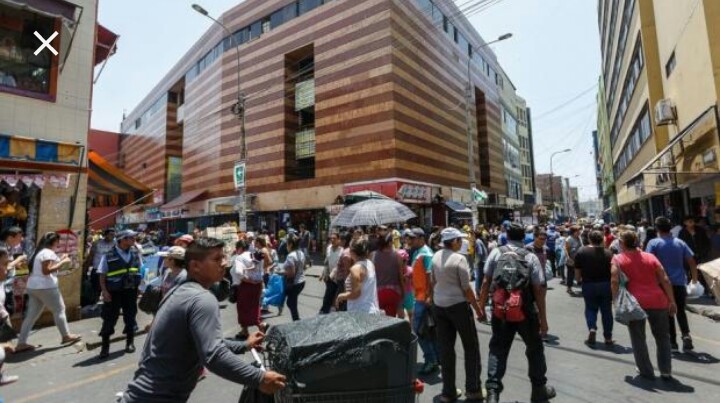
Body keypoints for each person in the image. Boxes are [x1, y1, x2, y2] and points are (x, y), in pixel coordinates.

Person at [121, 238, 286, 402]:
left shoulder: (179, 289)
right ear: (195, 266)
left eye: (224, 257)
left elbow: (204, 342)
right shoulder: (202, 299)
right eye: (216, 259)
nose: (224, 263)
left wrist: (244, 345)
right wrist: (259, 378)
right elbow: (213, 355)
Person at [478, 223, 554, 403]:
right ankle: (538, 391)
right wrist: (543, 319)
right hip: (526, 311)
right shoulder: (531, 257)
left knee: (498, 349)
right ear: (523, 238)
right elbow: (539, 290)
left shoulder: (496, 253)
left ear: (507, 235)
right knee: (535, 349)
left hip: (500, 311)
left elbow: (486, 282)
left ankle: (493, 394)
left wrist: (481, 308)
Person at [611, 231, 676, 380]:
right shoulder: (650, 257)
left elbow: (614, 281)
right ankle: (666, 371)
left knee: (638, 337)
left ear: (622, 244)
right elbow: (665, 279)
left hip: (634, 303)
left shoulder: (618, 259)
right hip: (658, 300)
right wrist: (672, 301)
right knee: (663, 337)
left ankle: (645, 370)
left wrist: (615, 301)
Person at [431, 228, 484, 402]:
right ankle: (473, 389)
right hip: (458, 307)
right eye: (459, 240)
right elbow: (467, 289)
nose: (461, 243)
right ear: (453, 241)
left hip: (439, 305)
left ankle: (448, 392)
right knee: (471, 347)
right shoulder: (459, 259)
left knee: (446, 350)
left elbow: (433, 281)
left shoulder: (435, 256)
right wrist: (478, 309)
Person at [15, 233, 82, 353]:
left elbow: (47, 267)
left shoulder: (40, 251)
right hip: (46, 287)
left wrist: (61, 259)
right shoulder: (48, 252)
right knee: (59, 310)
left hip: (33, 286)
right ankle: (66, 336)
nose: (59, 244)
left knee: (31, 316)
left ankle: (21, 343)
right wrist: (63, 261)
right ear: (54, 242)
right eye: (58, 241)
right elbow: (47, 271)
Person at [646, 217, 699, 352]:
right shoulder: (680, 243)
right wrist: (694, 279)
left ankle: (673, 343)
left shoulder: (653, 243)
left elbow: (648, 263)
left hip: (662, 284)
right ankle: (686, 335)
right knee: (680, 310)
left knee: (668, 312)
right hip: (680, 283)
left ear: (657, 229)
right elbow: (692, 261)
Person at [97, 229, 143, 359]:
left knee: (130, 316)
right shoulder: (109, 255)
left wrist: (140, 287)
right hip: (114, 292)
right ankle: (105, 348)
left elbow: (140, 270)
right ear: (122, 239)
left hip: (131, 291)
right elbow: (102, 274)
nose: (134, 240)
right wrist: (104, 291)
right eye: (131, 237)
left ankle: (130, 343)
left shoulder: (135, 253)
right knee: (109, 318)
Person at [408, 227, 440, 375]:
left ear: (421, 238)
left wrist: (429, 296)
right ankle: (435, 358)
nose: (410, 240)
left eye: (413, 238)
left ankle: (431, 359)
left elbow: (430, 277)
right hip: (419, 297)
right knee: (427, 330)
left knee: (419, 331)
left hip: (424, 299)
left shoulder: (426, 254)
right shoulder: (417, 253)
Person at [573, 230, 614, 346]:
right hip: (606, 285)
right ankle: (608, 337)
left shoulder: (581, 252)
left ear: (589, 239)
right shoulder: (608, 253)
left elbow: (577, 271)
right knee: (607, 311)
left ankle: (592, 328)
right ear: (602, 239)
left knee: (590, 309)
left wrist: (578, 280)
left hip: (589, 284)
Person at [230, 240, 267, 339]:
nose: (236, 251)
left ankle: (259, 325)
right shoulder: (255, 255)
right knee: (254, 305)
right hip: (257, 285)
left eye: (237, 249)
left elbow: (239, 273)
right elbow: (261, 271)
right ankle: (245, 330)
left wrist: (249, 281)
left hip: (246, 285)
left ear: (240, 248)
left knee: (242, 307)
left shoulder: (239, 258)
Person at [337, 239, 380, 314]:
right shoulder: (370, 264)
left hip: (359, 312)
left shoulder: (356, 269)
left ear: (352, 252)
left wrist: (341, 296)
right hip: (370, 309)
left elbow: (356, 293)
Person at [372, 233, 404, 317]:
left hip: (378, 292)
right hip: (394, 292)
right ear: (390, 243)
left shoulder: (373, 255)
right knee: (391, 320)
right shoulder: (397, 255)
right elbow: (401, 277)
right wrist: (403, 292)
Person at [84, 228, 116, 303]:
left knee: (110, 288)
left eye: (114, 235)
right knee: (96, 288)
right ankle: (95, 302)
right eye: (111, 234)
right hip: (97, 269)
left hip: (110, 270)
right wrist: (86, 268)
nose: (113, 236)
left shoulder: (116, 243)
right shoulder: (97, 243)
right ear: (106, 235)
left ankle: (109, 304)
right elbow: (91, 256)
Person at [282, 234, 306, 321]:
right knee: (291, 302)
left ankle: (297, 321)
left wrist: (280, 272)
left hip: (295, 283)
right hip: (302, 281)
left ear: (290, 245)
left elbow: (291, 273)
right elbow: (304, 267)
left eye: (287, 244)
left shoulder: (291, 256)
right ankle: (296, 320)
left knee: (291, 303)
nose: (286, 246)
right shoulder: (301, 253)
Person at [329, 231, 354, 312]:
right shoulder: (348, 250)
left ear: (344, 241)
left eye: (340, 239)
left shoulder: (346, 253)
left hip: (343, 281)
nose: (338, 241)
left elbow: (347, 271)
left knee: (341, 303)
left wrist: (346, 285)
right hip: (341, 280)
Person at [319, 232, 343, 314]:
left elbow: (339, 265)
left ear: (339, 240)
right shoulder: (328, 248)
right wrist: (322, 274)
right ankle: (324, 311)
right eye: (331, 238)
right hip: (329, 277)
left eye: (334, 238)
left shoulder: (341, 251)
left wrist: (332, 275)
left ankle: (327, 311)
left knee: (334, 297)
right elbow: (326, 262)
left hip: (338, 277)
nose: (332, 240)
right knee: (328, 295)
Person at [397, 249, 414, 323]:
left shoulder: (410, 270)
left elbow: (414, 283)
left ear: (406, 261)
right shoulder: (395, 272)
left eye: (404, 261)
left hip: (409, 293)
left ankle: (412, 329)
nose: (402, 264)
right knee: (400, 316)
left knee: (411, 313)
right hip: (399, 294)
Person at [564, 226, 582, 295]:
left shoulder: (579, 238)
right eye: (577, 231)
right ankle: (569, 288)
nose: (579, 232)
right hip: (571, 259)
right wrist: (569, 258)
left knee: (580, 272)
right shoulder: (569, 239)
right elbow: (566, 249)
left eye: (579, 231)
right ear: (573, 232)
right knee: (570, 274)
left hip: (579, 259)